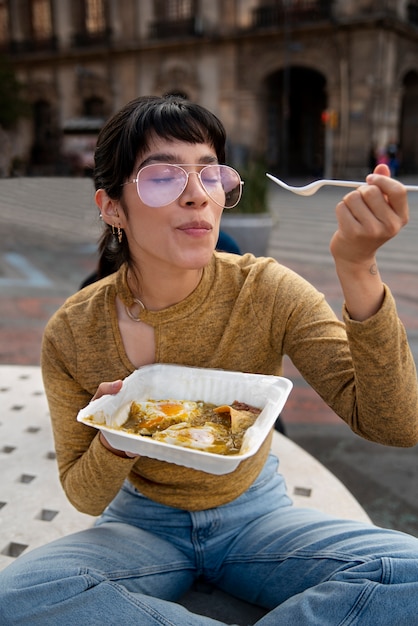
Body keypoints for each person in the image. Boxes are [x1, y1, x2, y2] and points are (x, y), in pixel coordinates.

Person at [1, 94, 418, 625]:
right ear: (111, 208)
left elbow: (395, 424)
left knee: (409, 574)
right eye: (163, 178)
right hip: (141, 526)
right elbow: (84, 495)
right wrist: (113, 433)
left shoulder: (266, 290)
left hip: (257, 517)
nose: (198, 196)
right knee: (19, 595)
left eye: (210, 174)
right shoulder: (72, 331)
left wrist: (358, 268)